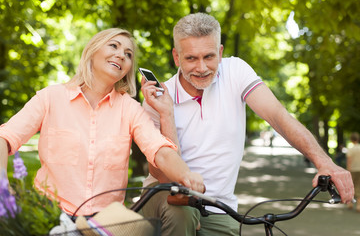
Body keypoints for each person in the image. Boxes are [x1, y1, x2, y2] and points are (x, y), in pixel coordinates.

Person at [140, 13, 355, 236]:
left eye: (209, 56)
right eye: (191, 58)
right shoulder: (158, 99)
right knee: (181, 214)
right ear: (176, 57)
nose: (202, 68)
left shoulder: (235, 71)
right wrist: (167, 114)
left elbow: (278, 116)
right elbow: (162, 175)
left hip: (219, 208)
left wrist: (324, 162)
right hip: (167, 198)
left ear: (221, 53)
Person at [0, 28, 204, 218]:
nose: (121, 55)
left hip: (105, 222)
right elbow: (5, 138)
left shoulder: (129, 109)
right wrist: (2, 185)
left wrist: (186, 175)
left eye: (128, 54)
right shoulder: (50, 98)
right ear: (92, 51)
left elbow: (160, 150)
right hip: (49, 217)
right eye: (113, 46)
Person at [346, 132, 360, 212]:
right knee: (359, 186)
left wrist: (348, 170)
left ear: (351, 139)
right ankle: (358, 205)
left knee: (351, 186)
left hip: (353, 169)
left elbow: (349, 160)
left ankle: (350, 203)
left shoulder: (350, 149)